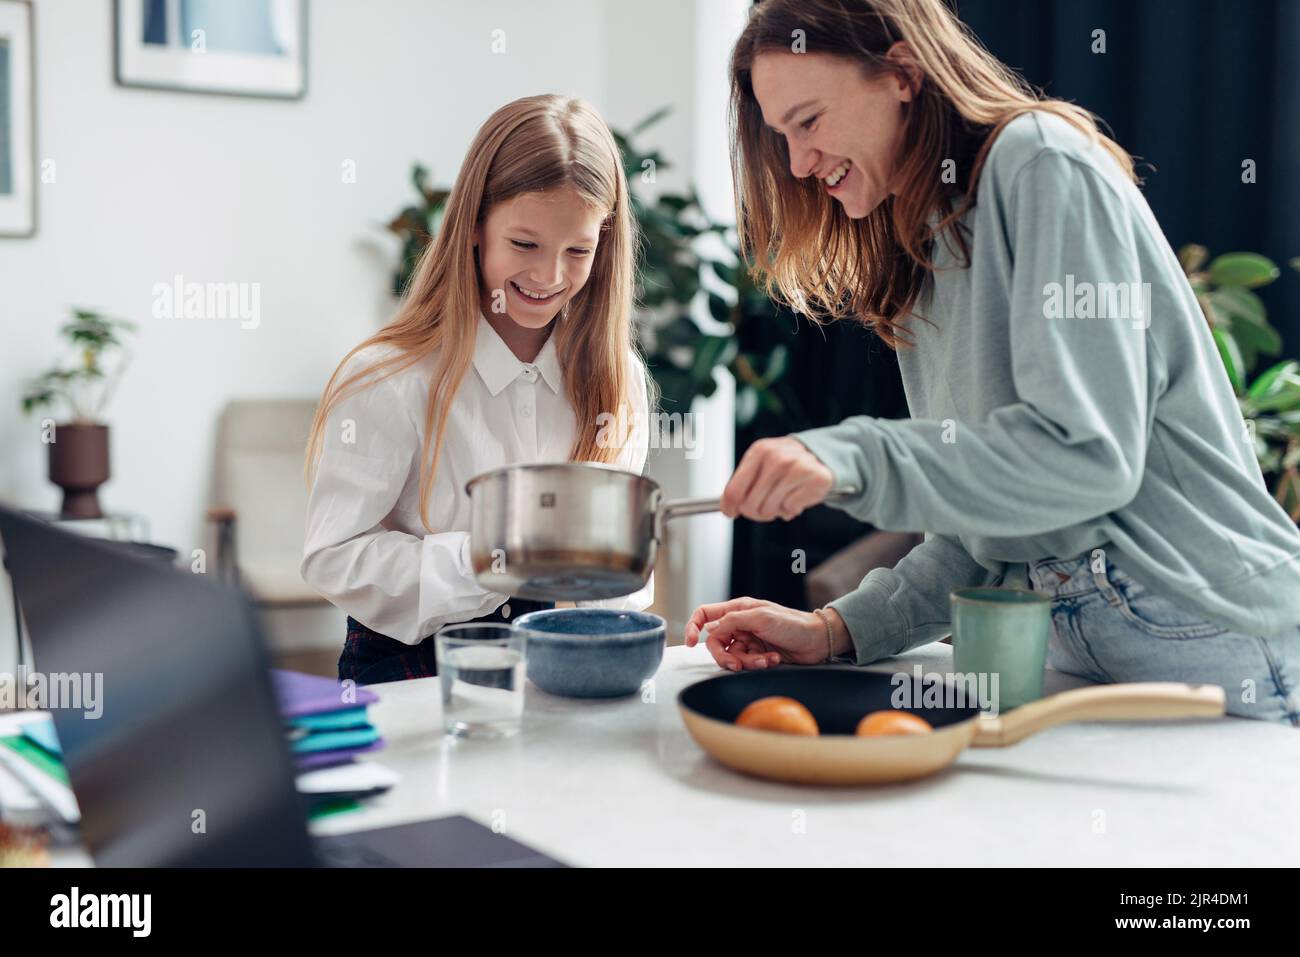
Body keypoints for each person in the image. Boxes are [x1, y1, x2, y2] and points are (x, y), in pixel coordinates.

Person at [685, 0, 1300, 725]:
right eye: (782, 134)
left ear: (903, 72)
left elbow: (1089, 460)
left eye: (810, 121)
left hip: (1220, 640)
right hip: (1081, 659)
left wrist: (854, 454)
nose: (796, 163)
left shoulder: (1039, 162)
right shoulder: (919, 246)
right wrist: (835, 629)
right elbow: (982, 530)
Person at [302, 95, 655, 684]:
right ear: (473, 226)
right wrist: (484, 557)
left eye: (578, 251)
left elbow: (610, 586)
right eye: (524, 244)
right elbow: (332, 558)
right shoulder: (389, 377)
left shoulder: (616, 381)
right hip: (409, 671)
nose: (548, 277)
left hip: (557, 665)